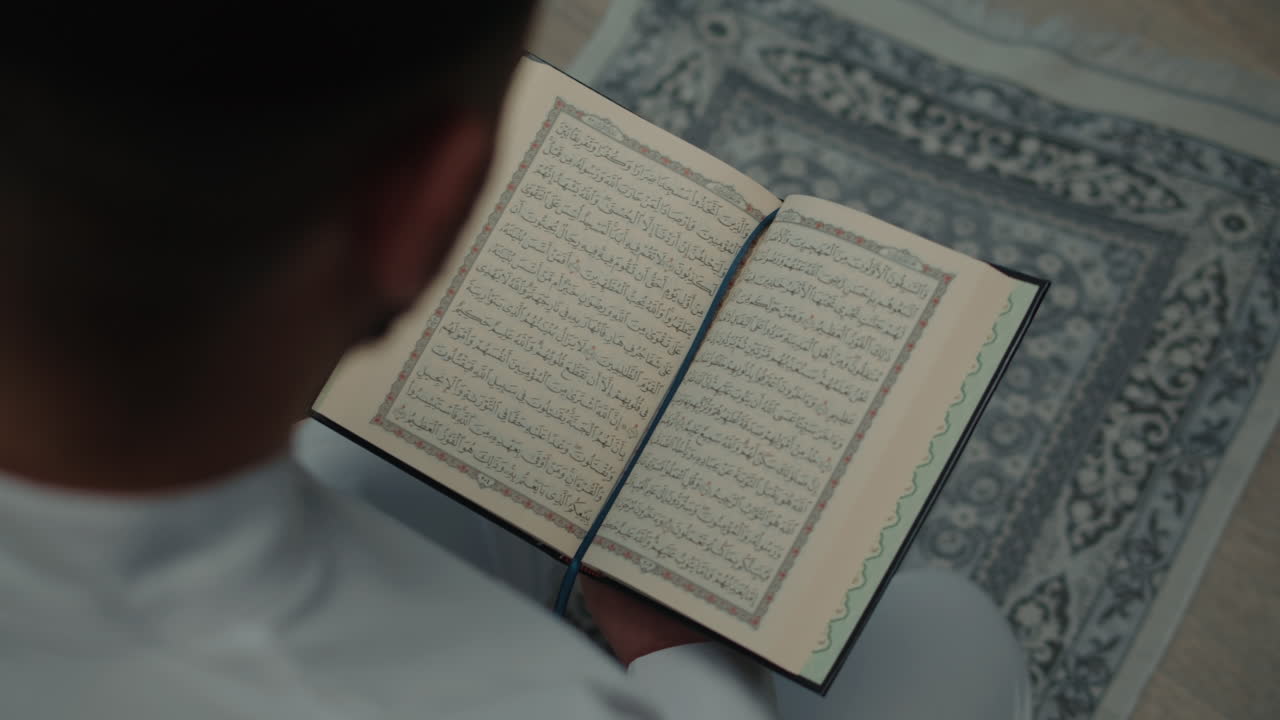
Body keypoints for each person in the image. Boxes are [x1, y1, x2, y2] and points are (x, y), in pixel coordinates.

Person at [0, 5, 1029, 718]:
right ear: (421, 207)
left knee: (394, 472)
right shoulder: (531, 700)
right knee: (950, 636)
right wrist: (686, 666)